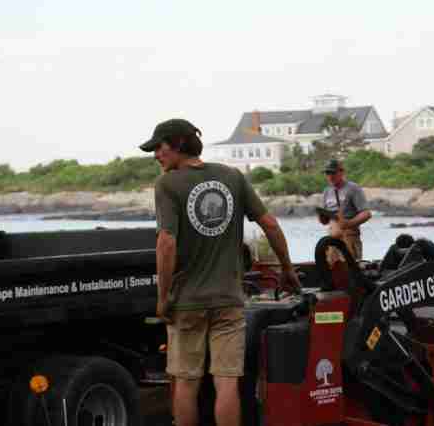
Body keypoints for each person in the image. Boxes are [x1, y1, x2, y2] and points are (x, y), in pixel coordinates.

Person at [140, 118, 300, 426]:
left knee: (186, 384)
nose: (156, 156)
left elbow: (166, 243)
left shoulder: (168, 184)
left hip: (186, 302)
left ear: (177, 144)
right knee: (226, 383)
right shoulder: (232, 176)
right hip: (229, 300)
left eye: (158, 149)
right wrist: (287, 269)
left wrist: (162, 297)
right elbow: (270, 225)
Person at [319, 158, 371, 264]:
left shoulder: (353, 188)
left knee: (351, 272)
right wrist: (322, 217)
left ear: (341, 172)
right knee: (333, 273)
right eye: (327, 173)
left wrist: (348, 223)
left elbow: (366, 213)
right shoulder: (327, 191)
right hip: (332, 241)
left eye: (333, 172)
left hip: (349, 238)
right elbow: (325, 221)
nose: (330, 176)